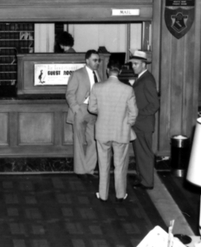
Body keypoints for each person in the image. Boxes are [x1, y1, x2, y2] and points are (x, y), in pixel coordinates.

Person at [87, 63, 137, 201]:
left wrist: (102, 112)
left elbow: (91, 108)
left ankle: (103, 195)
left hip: (102, 131)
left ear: (107, 70)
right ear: (120, 71)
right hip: (121, 131)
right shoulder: (127, 89)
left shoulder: (97, 87)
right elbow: (134, 112)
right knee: (120, 165)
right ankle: (120, 194)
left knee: (103, 165)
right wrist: (127, 123)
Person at [65, 49, 101, 178]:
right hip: (80, 110)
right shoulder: (78, 74)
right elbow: (69, 93)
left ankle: (89, 169)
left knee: (94, 140)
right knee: (79, 141)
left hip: (94, 111)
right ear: (87, 60)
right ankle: (80, 170)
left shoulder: (98, 74)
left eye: (98, 60)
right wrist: (76, 108)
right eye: (94, 60)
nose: (97, 62)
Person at [129, 50, 159, 190]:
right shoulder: (142, 77)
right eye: (132, 64)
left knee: (145, 154)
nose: (132, 66)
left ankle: (147, 182)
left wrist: (138, 114)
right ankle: (141, 177)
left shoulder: (147, 79)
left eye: (135, 64)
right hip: (140, 124)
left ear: (143, 64)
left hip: (143, 123)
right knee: (140, 153)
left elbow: (155, 105)